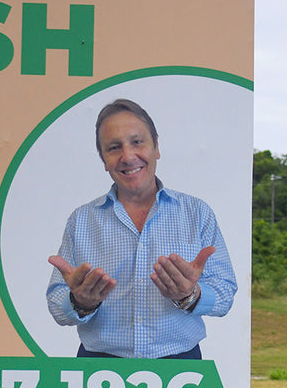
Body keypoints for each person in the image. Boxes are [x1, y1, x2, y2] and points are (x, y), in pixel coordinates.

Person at [46, 97, 236, 359]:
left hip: (179, 364)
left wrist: (189, 295)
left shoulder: (197, 213)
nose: (127, 156)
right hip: (98, 365)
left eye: (137, 142)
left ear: (156, 147)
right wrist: (80, 302)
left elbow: (225, 294)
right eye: (114, 147)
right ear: (104, 160)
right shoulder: (82, 220)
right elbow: (57, 303)